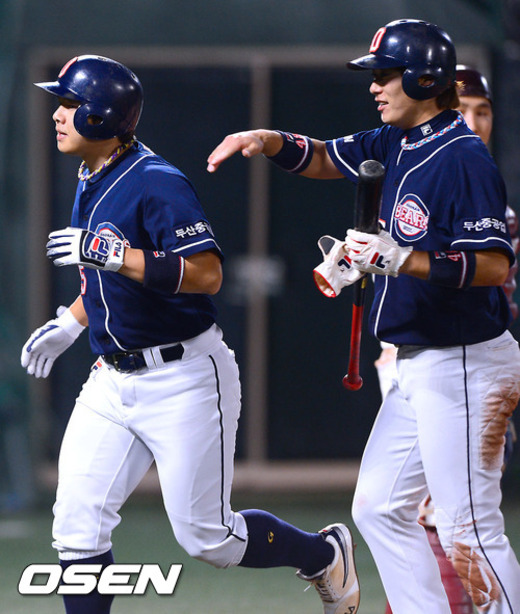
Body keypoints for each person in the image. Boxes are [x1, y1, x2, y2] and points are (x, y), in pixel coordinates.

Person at [21, 55, 360, 614]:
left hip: (184, 377)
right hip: (111, 379)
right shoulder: (90, 173)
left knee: (209, 538)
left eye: (69, 104)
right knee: (77, 528)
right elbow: (108, 277)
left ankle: (323, 553)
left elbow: (206, 275)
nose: (57, 115)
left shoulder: (155, 181)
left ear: (101, 116)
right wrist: (71, 323)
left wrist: (114, 254)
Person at [207, 19, 520, 613]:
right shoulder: (396, 139)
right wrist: (265, 139)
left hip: (465, 362)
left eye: (385, 74)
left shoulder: (463, 157)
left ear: (423, 78)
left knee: (467, 527)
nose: (374, 86)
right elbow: (325, 157)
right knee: (378, 507)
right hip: (420, 362)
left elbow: (492, 264)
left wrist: (403, 259)